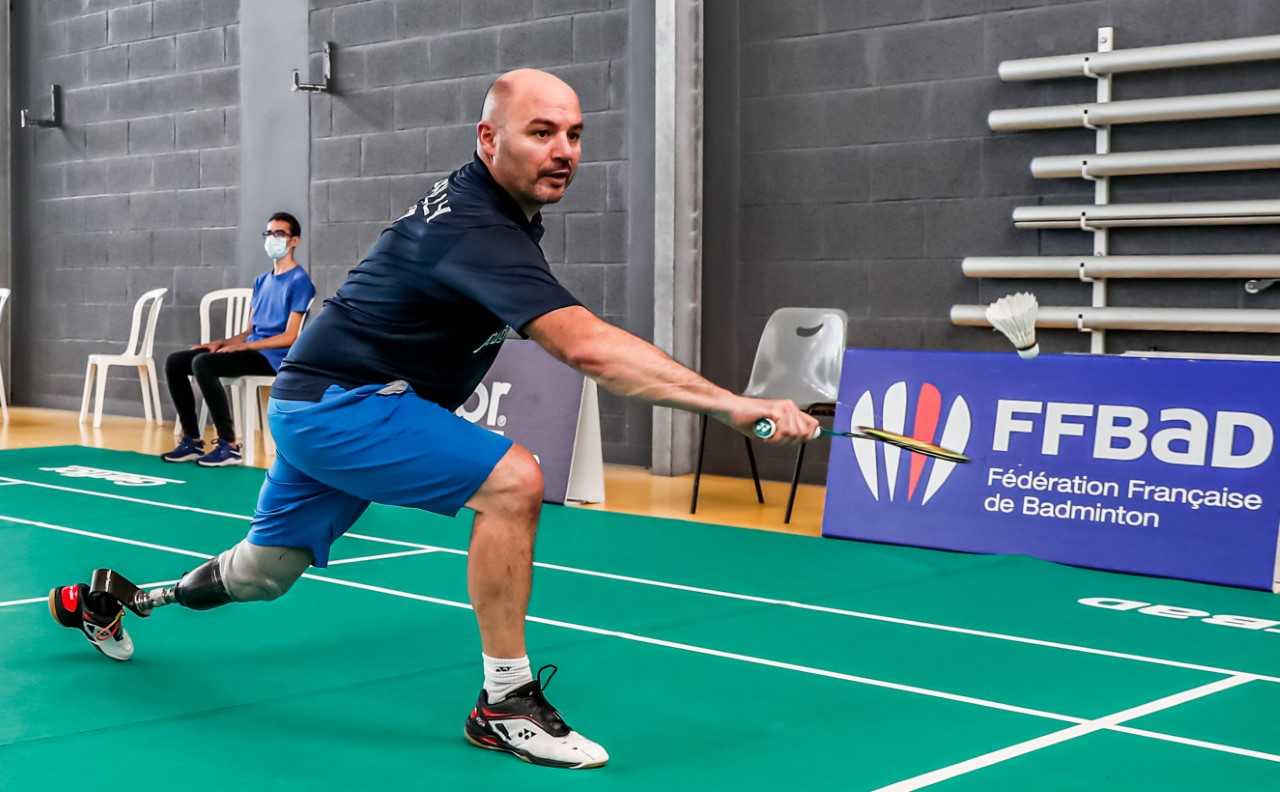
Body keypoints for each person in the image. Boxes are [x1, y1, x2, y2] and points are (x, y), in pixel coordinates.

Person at [50, 69, 818, 770]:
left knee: (263, 574)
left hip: (322, 404)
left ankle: (119, 599)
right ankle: (506, 704)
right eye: (541, 132)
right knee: (515, 482)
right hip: (343, 404)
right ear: (489, 139)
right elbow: (588, 350)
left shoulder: (496, 214)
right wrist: (736, 407)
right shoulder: (474, 228)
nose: (564, 151)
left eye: (575, 134)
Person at [160, 212, 317, 467]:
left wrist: (246, 346)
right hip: (252, 349)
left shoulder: (300, 282)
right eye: (269, 233)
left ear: (294, 241)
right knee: (176, 361)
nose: (273, 239)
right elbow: (250, 330)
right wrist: (222, 343)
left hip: (273, 357)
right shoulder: (261, 281)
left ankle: (229, 445)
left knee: (204, 364)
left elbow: (290, 337)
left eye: (280, 234)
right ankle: (191, 440)